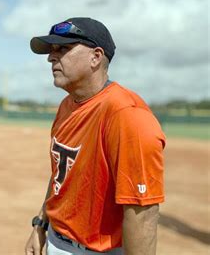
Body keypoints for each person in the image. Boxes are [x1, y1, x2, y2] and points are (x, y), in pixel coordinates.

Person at [24, 17, 165, 255]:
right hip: (55, 240)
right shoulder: (67, 105)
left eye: (64, 49)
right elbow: (61, 175)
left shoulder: (127, 115)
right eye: (52, 50)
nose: (51, 57)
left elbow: (142, 215)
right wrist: (41, 224)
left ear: (96, 57)